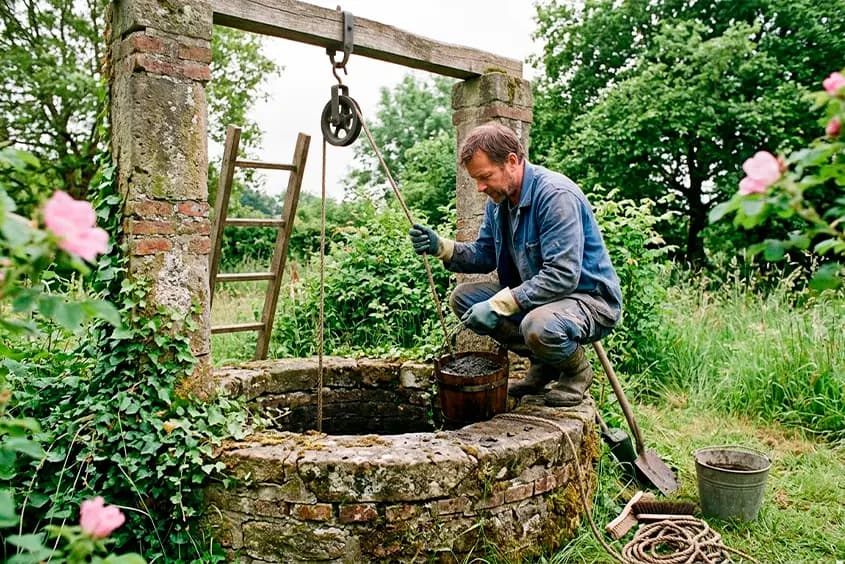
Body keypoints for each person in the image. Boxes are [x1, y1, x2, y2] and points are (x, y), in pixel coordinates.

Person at [408, 122, 622, 407]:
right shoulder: (498, 201)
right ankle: (544, 363)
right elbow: (485, 254)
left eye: (485, 177)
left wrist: (500, 304)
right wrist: (443, 248)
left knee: (540, 324)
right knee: (464, 298)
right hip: (540, 297)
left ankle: (575, 372)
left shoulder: (555, 196)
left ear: (511, 161)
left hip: (587, 299)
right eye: (476, 179)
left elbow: (562, 276)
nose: (480, 187)